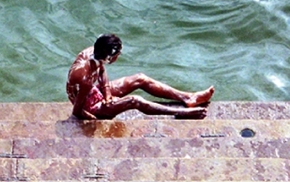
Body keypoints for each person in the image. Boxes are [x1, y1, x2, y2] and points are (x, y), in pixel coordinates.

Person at [66, 34, 214, 120]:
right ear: (110, 57)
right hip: (87, 103)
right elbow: (77, 112)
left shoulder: (95, 52)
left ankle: (188, 98)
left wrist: (107, 94)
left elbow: (101, 70)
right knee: (134, 101)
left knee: (140, 78)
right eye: (118, 55)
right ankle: (183, 112)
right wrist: (96, 118)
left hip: (93, 90)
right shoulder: (84, 79)